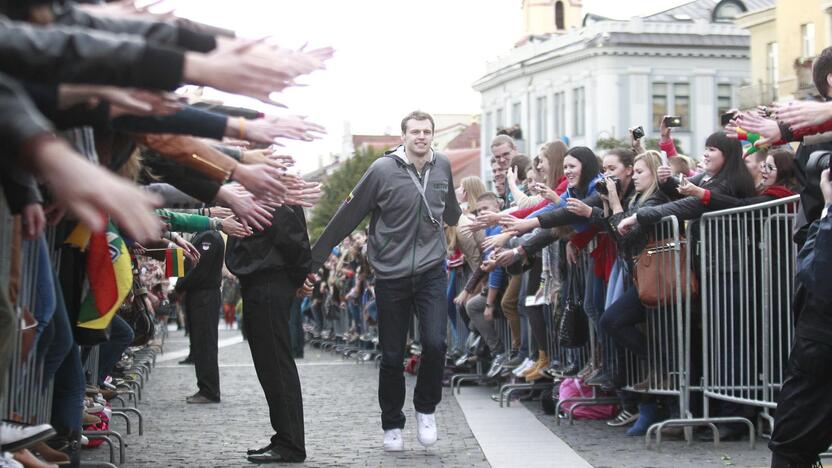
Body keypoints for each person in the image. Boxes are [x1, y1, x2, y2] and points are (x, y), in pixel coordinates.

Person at [310, 110, 462, 452]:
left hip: (431, 269)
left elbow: (450, 209)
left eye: (427, 131)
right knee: (392, 354)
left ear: (432, 135)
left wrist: (465, 221)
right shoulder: (382, 170)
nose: (421, 137)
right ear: (404, 136)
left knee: (436, 343)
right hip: (391, 273)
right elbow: (348, 214)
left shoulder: (443, 166)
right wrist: (315, 257)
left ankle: (426, 408)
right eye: (415, 132)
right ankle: (392, 423)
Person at [226, 204, 312, 464]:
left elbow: (294, 240)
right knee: (270, 365)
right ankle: (285, 436)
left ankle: (291, 443)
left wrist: (298, 278)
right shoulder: (263, 191)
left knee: (275, 363)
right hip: (262, 281)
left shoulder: (271, 194)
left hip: (268, 281)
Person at [768, 168, 832, 468]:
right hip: (817, 339)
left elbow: (817, 272)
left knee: (791, 442)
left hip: (820, 338)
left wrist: (829, 210)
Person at [174, 230, 225, 404]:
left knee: (205, 343)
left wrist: (179, 286)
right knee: (200, 342)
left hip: (205, 296)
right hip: (200, 296)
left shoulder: (209, 236)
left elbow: (200, 271)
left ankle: (209, 390)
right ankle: (205, 387)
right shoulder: (203, 235)